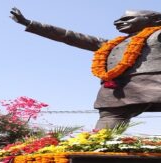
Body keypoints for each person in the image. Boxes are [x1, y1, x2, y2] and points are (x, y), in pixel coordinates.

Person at [10, 8, 161, 129]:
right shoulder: (111, 44)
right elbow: (69, 36)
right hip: (116, 89)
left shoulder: (157, 34)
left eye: (127, 18)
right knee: (108, 121)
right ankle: (100, 153)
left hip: (152, 82)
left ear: (156, 20)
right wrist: (29, 23)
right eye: (119, 19)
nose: (118, 22)